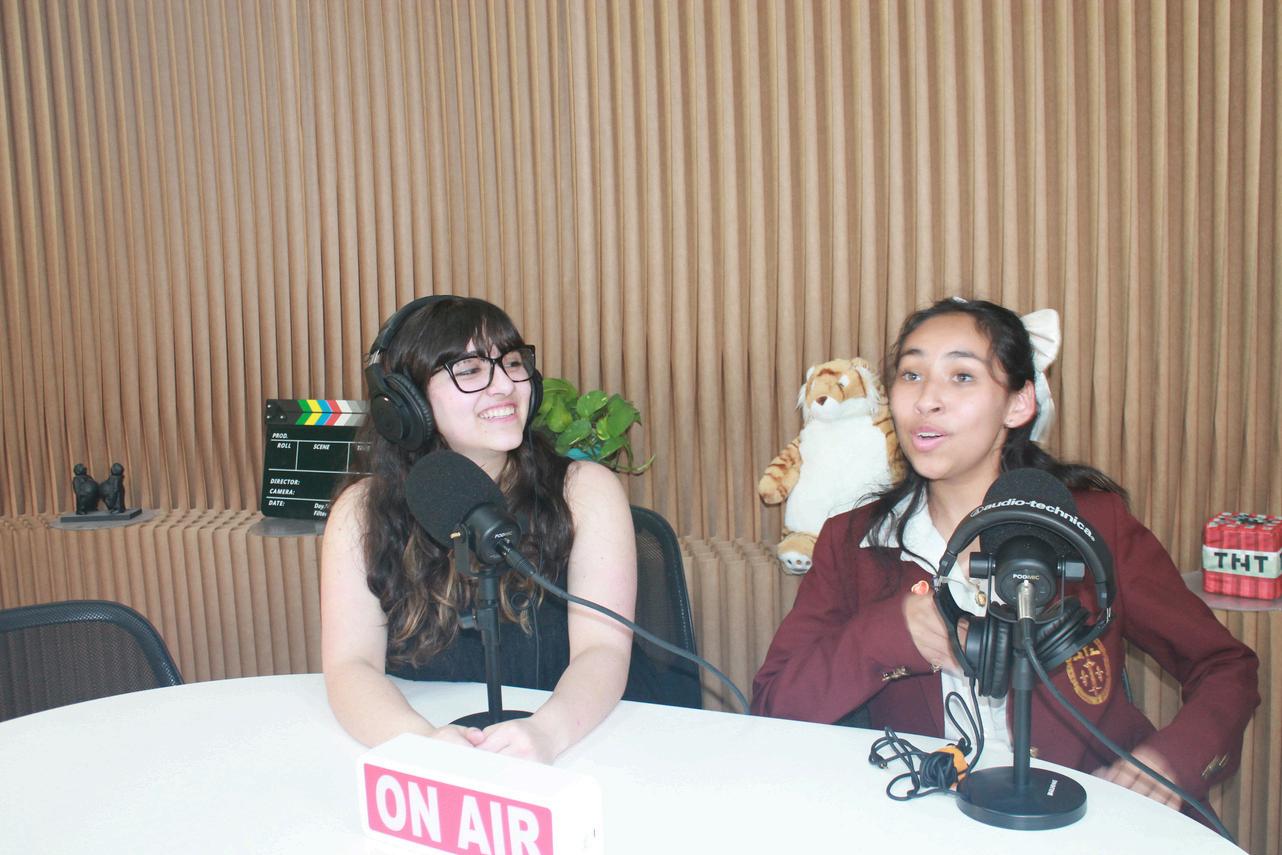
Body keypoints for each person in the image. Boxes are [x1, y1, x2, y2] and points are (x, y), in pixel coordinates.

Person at [751, 298, 1259, 814]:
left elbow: (1225, 666)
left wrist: (1174, 761)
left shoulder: (1093, 524)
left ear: (1018, 404)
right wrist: (887, 636)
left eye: (962, 377)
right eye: (911, 374)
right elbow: (774, 706)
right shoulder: (852, 540)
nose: (927, 400)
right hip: (925, 819)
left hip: (1089, 816)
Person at [322, 295, 644, 763]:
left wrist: (547, 733)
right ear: (407, 402)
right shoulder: (361, 512)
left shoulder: (584, 492)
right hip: (426, 742)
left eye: (511, 363)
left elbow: (603, 650)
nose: (506, 385)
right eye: (470, 370)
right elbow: (351, 665)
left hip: (568, 748)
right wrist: (419, 742)